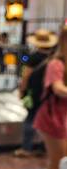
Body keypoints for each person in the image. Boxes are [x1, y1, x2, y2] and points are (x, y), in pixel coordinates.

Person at [30, 27, 67, 169]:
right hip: (52, 119)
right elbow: (58, 88)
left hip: (63, 119)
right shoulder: (56, 64)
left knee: (63, 163)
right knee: (58, 162)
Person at [15, 28, 57, 158]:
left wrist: (22, 90)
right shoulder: (54, 57)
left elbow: (26, 76)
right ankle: (45, 147)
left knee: (30, 119)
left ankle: (26, 148)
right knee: (48, 120)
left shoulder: (32, 57)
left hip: (35, 92)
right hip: (50, 93)